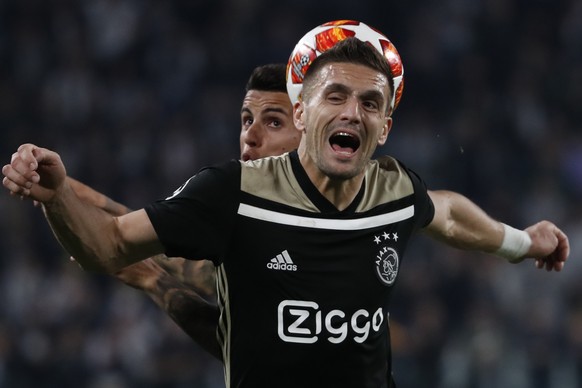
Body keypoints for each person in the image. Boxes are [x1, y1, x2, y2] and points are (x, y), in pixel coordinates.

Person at [2, 37, 569, 388]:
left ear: (385, 127)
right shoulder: (233, 191)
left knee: (175, 274)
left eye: (370, 103)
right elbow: (106, 247)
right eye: (337, 96)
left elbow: (445, 213)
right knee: (168, 273)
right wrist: (58, 196)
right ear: (308, 112)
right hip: (237, 313)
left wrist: (524, 241)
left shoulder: (391, 189)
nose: (354, 111)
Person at [65, 62, 301, 360]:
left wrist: (152, 281)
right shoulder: (256, 221)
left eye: (274, 122)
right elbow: (213, 276)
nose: (250, 136)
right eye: (245, 120)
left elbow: (245, 343)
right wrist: (108, 208)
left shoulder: (348, 225)